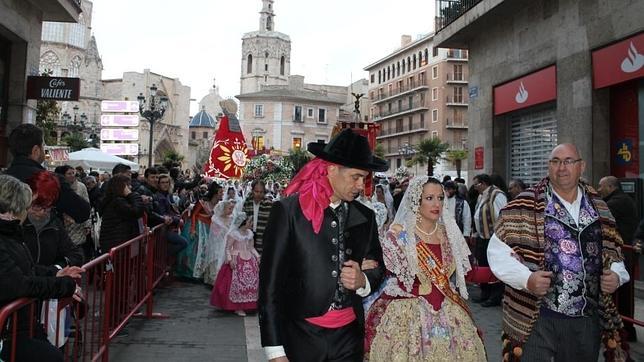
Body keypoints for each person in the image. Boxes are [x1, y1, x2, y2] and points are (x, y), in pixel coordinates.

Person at [488, 143, 630, 361]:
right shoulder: (525, 204)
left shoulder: (600, 208)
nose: (561, 167)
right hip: (536, 318)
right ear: (548, 166)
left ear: (581, 166)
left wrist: (617, 275)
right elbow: (498, 251)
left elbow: (614, 249)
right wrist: (526, 279)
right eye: (555, 161)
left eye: (568, 161)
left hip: (585, 319)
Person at [258, 129, 387, 362]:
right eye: (356, 177)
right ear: (332, 169)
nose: (361, 185)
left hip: (349, 337)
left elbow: (378, 266)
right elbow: (269, 286)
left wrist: (363, 280)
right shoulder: (289, 211)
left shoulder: (365, 216)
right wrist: (275, 350)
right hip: (300, 335)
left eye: (365, 178)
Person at [364, 177, 485, 361]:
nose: (437, 204)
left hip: (449, 315)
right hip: (408, 320)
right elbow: (383, 272)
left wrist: (511, 275)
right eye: (429, 198)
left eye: (440, 198)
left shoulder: (450, 235)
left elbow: (469, 272)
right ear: (416, 200)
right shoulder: (399, 235)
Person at [0, 174, 84, 362]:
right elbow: (18, 283)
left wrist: (56, 272)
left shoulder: (12, 233)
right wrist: (63, 285)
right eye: (30, 206)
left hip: (22, 324)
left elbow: (27, 268)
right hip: (10, 330)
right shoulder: (9, 235)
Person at [5, 124, 90, 223]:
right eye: (43, 146)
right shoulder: (49, 180)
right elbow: (83, 212)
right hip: (42, 236)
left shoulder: (4, 178)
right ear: (36, 151)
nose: (43, 150)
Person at [598, 175, 639, 341]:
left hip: (624, 254)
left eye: (601, 186)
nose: (599, 189)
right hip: (621, 253)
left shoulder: (618, 201)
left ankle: (625, 331)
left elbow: (597, 213)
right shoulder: (619, 199)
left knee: (623, 295)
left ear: (611, 186)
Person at [23, 171, 83, 268]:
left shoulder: (54, 223)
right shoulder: (15, 223)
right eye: (36, 206)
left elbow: (76, 255)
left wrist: (58, 267)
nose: (42, 212)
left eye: (48, 207)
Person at [211, 211, 259, 316]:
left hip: (249, 259)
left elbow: (251, 247)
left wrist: (257, 257)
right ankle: (238, 307)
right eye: (249, 222)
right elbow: (228, 248)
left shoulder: (250, 234)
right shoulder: (234, 234)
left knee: (251, 282)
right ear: (243, 222)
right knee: (236, 283)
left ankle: (249, 304)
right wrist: (230, 258)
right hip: (236, 258)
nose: (251, 224)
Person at [472, 173, 507, 307]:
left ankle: (495, 296)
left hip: (494, 238)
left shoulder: (497, 195)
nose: (475, 187)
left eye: (476, 184)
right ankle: (485, 293)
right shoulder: (482, 196)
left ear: (484, 183)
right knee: (483, 267)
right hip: (482, 237)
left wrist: (499, 237)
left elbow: (502, 216)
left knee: (494, 267)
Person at [177, 182, 222, 279]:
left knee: (205, 249)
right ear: (215, 193)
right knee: (195, 249)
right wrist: (193, 229)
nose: (222, 194)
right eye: (220, 192)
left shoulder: (219, 205)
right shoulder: (202, 202)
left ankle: (201, 273)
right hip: (197, 225)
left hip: (209, 227)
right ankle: (190, 273)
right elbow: (193, 215)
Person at [98, 174, 145, 253]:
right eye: (127, 185)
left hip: (116, 243)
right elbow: (136, 212)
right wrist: (132, 195)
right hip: (118, 245)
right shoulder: (118, 202)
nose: (130, 188)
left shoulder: (113, 200)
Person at [55, 165, 92, 262]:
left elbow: (87, 204)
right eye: (69, 173)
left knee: (79, 251)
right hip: (65, 225)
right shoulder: (59, 187)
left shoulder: (81, 186)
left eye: (73, 173)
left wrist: (88, 224)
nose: (72, 175)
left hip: (79, 224)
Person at [196, 199, 235, 284]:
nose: (231, 211)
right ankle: (215, 280)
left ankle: (225, 281)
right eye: (229, 209)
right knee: (217, 259)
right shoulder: (216, 219)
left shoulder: (231, 219)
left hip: (227, 243)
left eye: (232, 209)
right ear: (223, 209)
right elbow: (215, 234)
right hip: (218, 243)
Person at [154, 174, 188, 256]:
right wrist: (177, 219)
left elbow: (173, 210)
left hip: (170, 226)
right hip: (163, 228)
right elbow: (164, 214)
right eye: (162, 182)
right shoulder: (159, 197)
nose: (165, 184)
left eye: (167, 182)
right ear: (158, 184)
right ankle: (162, 256)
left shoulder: (168, 195)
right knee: (183, 242)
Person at [241, 180, 272, 254]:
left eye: (261, 192)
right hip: (249, 234)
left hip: (262, 236)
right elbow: (243, 218)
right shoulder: (247, 202)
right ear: (252, 191)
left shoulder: (269, 204)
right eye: (256, 191)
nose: (259, 194)